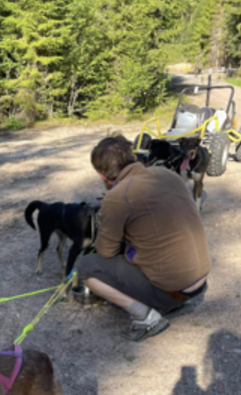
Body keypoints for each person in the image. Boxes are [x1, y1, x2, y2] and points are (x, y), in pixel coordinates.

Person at [77, 134, 211, 341]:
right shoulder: (168, 175)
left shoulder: (116, 197)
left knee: (87, 266)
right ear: (133, 157)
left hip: (172, 290)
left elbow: (105, 251)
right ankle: (172, 300)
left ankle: (146, 317)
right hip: (200, 283)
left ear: (102, 175)